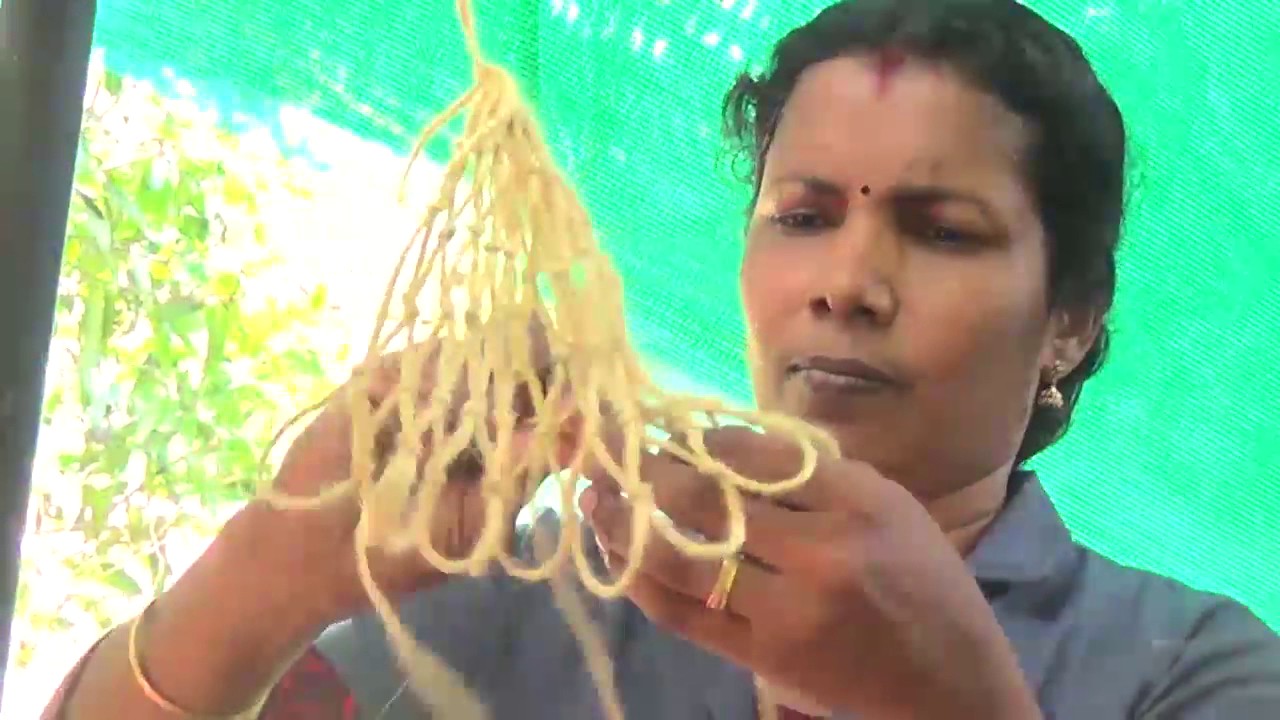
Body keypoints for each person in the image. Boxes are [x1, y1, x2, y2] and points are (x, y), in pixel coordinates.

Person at [41, 0, 1280, 718]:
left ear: (1068, 318)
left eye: (940, 229)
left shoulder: (1194, 669)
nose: (844, 281)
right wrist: (261, 577)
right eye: (801, 215)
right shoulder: (523, 594)